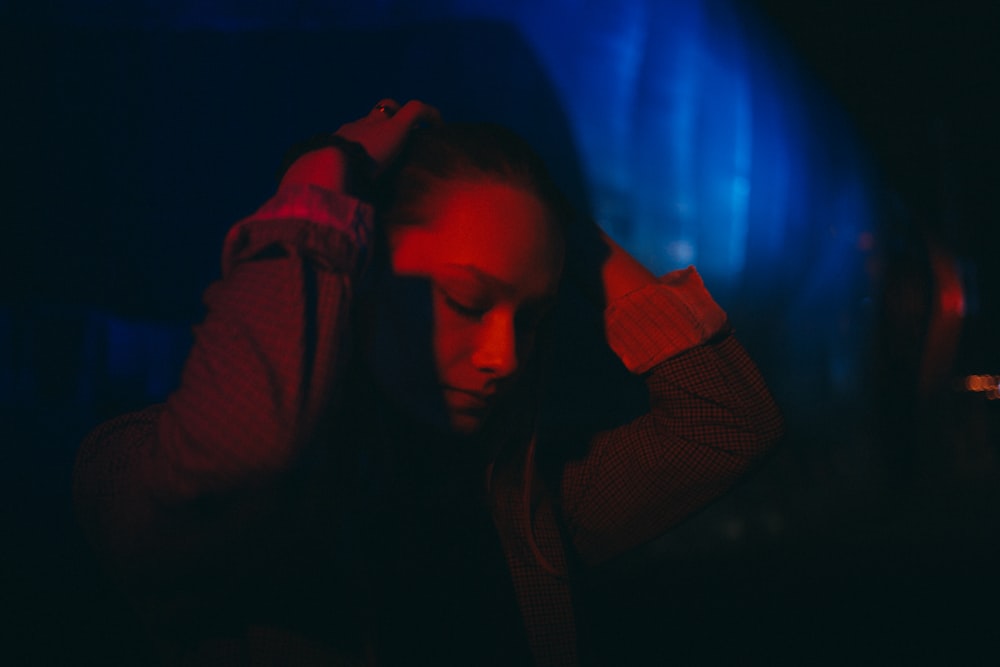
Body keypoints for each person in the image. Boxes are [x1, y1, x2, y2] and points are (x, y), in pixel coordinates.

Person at [74, 99, 783, 666]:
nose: (504, 355)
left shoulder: (523, 510)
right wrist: (324, 175)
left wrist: (563, 233)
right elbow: (246, 450)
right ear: (358, 271)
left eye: (532, 316)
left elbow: (726, 419)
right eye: (467, 302)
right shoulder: (143, 471)